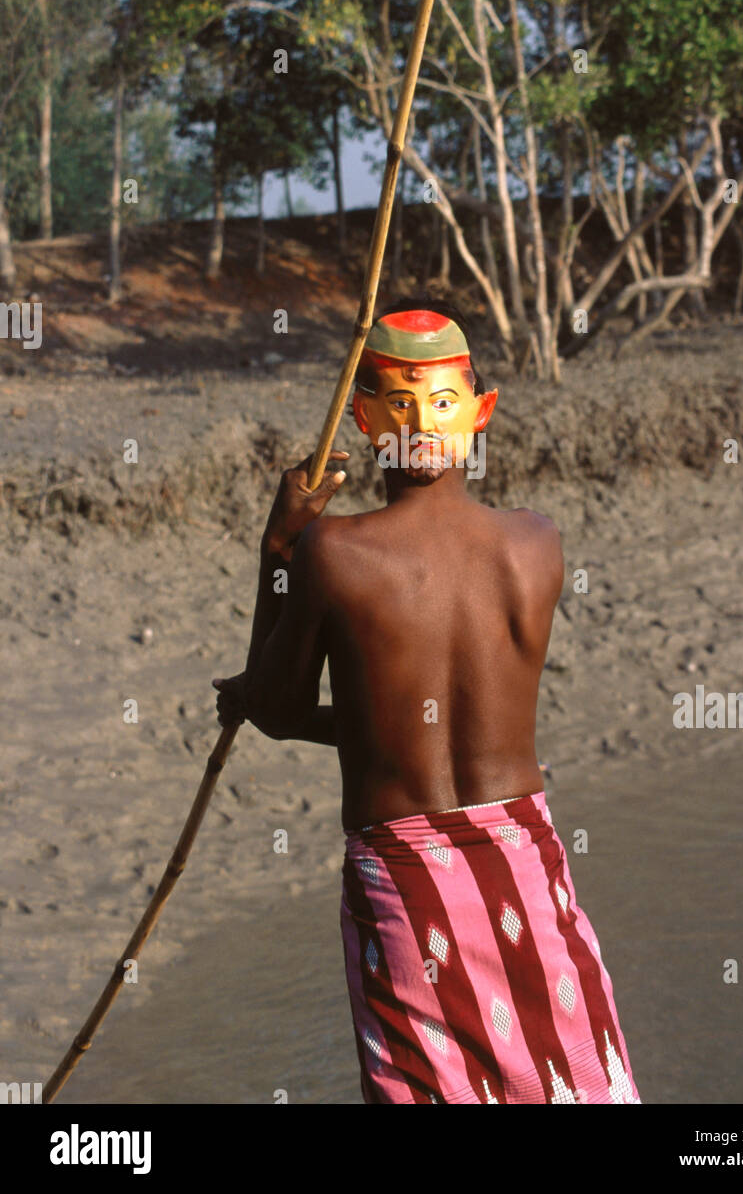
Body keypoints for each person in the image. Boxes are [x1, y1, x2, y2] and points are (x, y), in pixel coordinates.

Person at [214, 300, 640, 1105]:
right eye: (405, 403)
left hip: (408, 878)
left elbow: (276, 707)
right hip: (524, 856)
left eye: (433, 401)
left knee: (428, 1086)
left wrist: (276, 546)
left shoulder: (331, 551)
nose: (418, 421)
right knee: (571, 1077)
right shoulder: (535, 541)